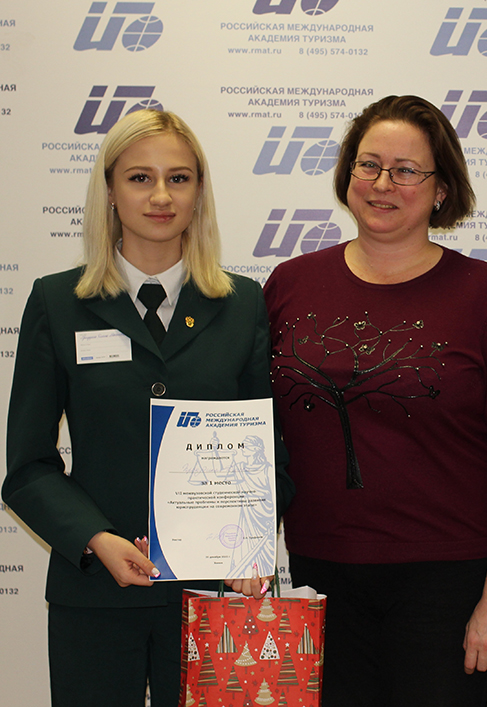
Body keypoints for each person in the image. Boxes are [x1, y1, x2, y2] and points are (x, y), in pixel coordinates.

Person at [2, 109, 294, 707]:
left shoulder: (242, 302)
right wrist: (94, 538)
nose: (161, 196)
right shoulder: (58, 301)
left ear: (199, 192)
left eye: (178, 178)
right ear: (110, 190)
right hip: (94, 592)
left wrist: (250, 544)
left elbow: (266, 448)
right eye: (140, 178)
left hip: (214, 594)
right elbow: (28, 468)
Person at [263, 94, 487, 707]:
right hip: (318, 577)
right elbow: (255, 431)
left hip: (445, 584)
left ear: (441, 190)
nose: (383, 183)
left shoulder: (484, 294)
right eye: (369, 164)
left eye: (406, 170)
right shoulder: (289, 285)